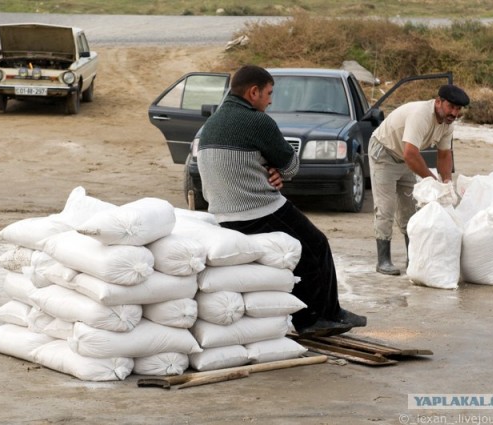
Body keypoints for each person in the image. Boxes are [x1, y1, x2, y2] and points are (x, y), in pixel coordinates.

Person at [197, 64, 366, 336]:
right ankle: (318, 317)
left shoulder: (211, 123)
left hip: (222, 213)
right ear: (254, 92)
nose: (271, 100)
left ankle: (322, 314)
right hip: (256, 208)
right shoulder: (257, 121)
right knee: (315, 246)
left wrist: (269, 168)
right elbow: (290, 166)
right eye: (269, 93)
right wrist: (277, 171)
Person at [368, 84, 470, 275]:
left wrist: (446, 183)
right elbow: (411, 154)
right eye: (451, 107)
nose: (454, 113)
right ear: (438, 102)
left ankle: (412, 258)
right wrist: (432, 181)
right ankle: (383, 261)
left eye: (458, 109)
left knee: (410, 209)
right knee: (386, 207)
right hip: (384, 153)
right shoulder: (421, 115)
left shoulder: (448, 124)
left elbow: (444, 154)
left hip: (405, 157)